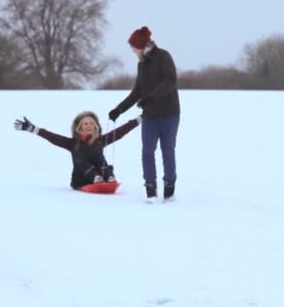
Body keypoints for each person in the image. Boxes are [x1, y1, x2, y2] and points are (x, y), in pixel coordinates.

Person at [108, 26, 181, 201]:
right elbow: (137, 92)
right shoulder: (142, 63)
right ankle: (150, 186)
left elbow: (170, 81)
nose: (132, 51)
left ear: (140, 45)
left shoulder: (163, 56)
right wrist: (119, 109)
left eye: (133, 47)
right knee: (147, 151)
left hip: (170, 113)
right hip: (150, 116)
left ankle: (169, 184)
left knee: (168, 150)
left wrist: (151, 97)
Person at [14, 111, 141, 189]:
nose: (89, 125)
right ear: (79, 129)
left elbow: (120, 131)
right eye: (86, 124)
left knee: (96, 149)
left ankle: (107, 176)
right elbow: (52, 137)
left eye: (92, 124)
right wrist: (32, 129)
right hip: (80, 180)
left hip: (102, 177)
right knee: (77, 150)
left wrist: (140, 119)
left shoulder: (100, 140)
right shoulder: (71, 143)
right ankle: (94, 176)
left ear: (96, 128)